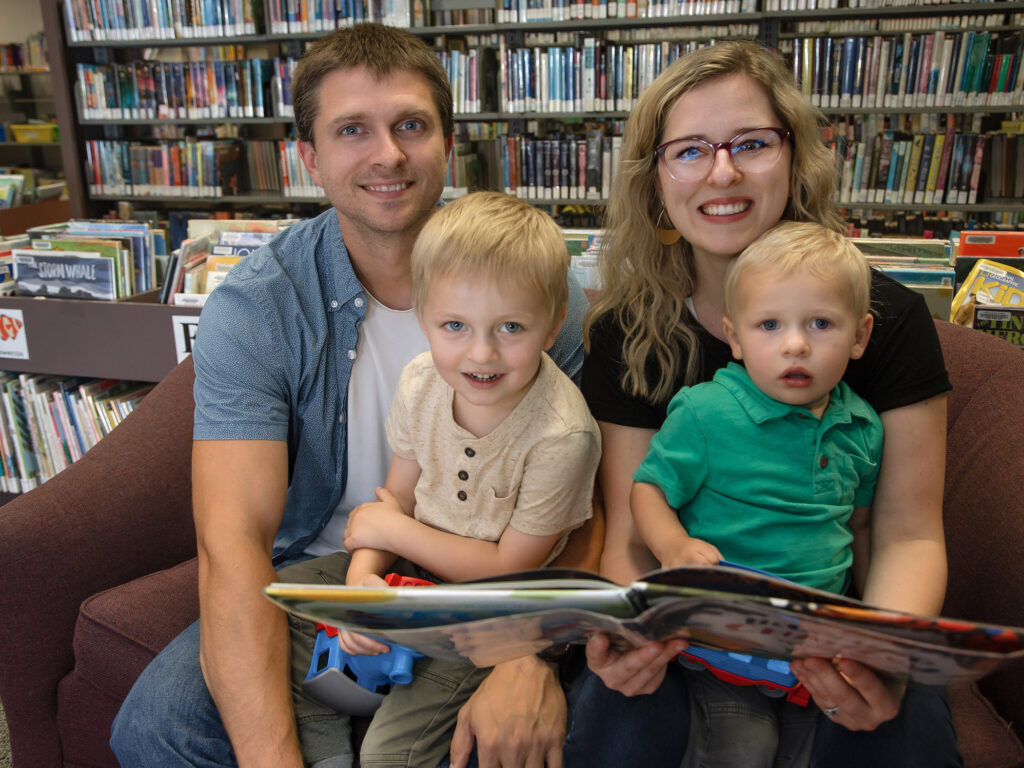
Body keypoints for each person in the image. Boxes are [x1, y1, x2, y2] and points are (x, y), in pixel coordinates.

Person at [110, 25, 590, 768]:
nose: (388, 154)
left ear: (447, 141)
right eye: (351, 130)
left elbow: (581, 503)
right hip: (334, 567)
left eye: (410, 125)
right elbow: (233, 540)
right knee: (158, 726)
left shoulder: (539, 292)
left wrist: (527, 654)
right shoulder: (258, 308)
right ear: (309, 156)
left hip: (494, 578)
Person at [563, 40, 960, 767]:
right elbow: (629, 533)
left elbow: (904, 533)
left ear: (796, 157)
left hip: (837, 624)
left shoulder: (888, 316)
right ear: (655, 180)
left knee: (905, 722)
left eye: (751, 143)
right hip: (694, 634)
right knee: (619, 708)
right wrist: (630, 638)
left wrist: (880, 652)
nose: (723, 171)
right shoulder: (628, 332)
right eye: (689, 150)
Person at [297, 190, 601, 767]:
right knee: (270, 616)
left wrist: (393, 534)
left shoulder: (563, 435)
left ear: (554, 323)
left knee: (392, 754)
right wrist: (366, 586)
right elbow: (396, 499)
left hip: (492, 610)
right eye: (455, 325)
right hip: (410, 575)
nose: (481, 354)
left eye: (510, 326)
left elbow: (510, 567)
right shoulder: (420, 383)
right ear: (422, 317)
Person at [630, 220, 880, 765]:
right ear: (735, 337)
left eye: (820, 323)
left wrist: (865, 617)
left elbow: (857, 528)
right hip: (724, 645)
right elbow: (648, 489)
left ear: (859, 336)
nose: (795, 344)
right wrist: (673, 548)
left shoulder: (862, 426)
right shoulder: (704, 412)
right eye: (769, 325)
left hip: (816, 650)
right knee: (743, 750)